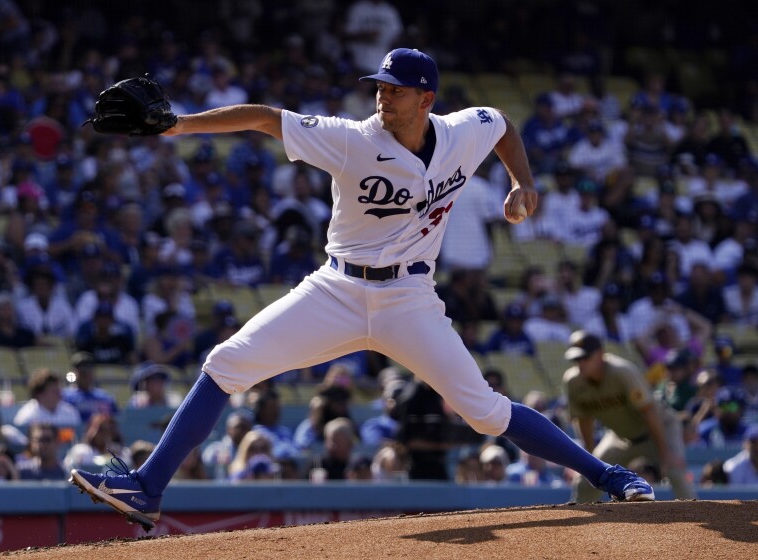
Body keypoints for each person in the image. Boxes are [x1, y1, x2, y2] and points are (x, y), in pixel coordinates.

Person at [70, 47, 655, 531]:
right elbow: (264, 118)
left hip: (411, 300)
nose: (382, 96)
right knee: (225, 363)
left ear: (426, 99)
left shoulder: (459, 133)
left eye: (395, 89)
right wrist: (179, 125)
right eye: (379, 85)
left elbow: (502, 123)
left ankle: (610, 477)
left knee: (483, 412)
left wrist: (522, 182)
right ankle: (147, 489)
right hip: (337, 290)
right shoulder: (351, 138)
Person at [562, 330, 695, 502]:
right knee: (587, 477)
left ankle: (701, 518)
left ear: (601, 354)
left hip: (659, 429)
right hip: (620, 437)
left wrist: (664, 453)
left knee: (675, 470)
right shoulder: (573, 381)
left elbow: (650, 412)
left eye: (585, 357)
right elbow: (584, 419)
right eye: (576, 359)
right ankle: (578, 525)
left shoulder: (622, 371)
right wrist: (590, 457)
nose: (581, 363)